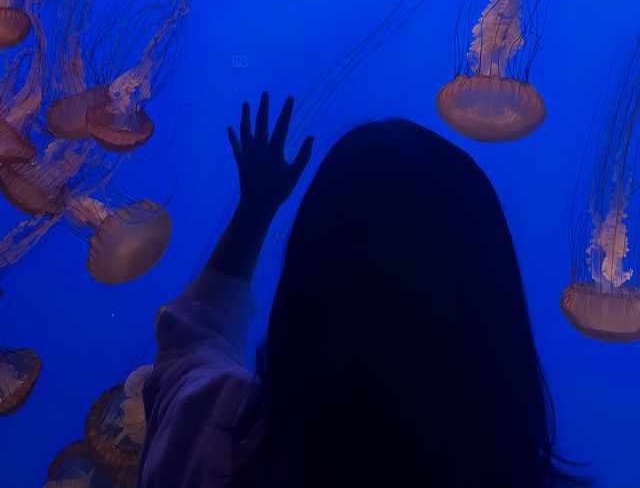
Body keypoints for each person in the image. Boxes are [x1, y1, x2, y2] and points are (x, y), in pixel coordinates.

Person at [140, 93, 589, 488]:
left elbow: (188, 346)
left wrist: (255, 211)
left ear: (307, 294)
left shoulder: (216, 445)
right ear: (494, 315)